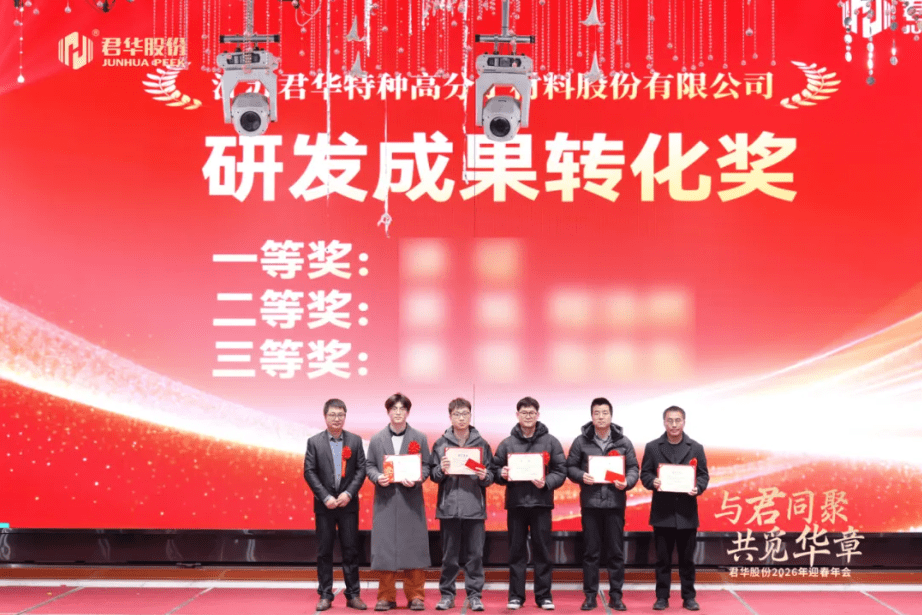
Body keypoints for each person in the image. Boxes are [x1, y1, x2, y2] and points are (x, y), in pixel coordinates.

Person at [493, 396, 567, 611]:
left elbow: (560, 471)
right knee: (516, 552)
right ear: (517, 415)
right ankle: (516, 596)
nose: (528, 416)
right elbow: (494, 469)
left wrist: (547, 482)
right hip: (516, 504)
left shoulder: (551, 442)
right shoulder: (507, 443)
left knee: (542, 552)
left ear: (538, 415)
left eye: (531, 413)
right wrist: (501, 474)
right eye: (524, 413)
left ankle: (544, 596)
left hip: (541, 504)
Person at [565, 397, 639, 612]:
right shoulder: (581, 441)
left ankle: (616, 596)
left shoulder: (624, 442)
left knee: (615, 552)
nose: (600, 417)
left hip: (615, 503)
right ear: (591, 416)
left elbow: (633, 468)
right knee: (591, 552)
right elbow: (570, 467)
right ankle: (590, 596)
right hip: (591, 504)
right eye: (596, 413)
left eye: (604, 413)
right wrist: (581, 475)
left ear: (611, 416)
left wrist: (627, 482)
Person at [365, 393, 432, 612]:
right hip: (385, 501)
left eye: (402, 409)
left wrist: (417, 478)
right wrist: (377, 477)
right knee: (385, 548)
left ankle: (416, 596)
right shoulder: (377, 439)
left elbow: (427, 466)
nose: (398, 412)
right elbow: (369, 465)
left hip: (411, 500)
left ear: (408, 412)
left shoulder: (419, 437)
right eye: (394, 409)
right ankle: (386, 596)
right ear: (388, 412)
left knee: (413, 547)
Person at [640, 406, 709, 612]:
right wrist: (652, 481)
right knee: (662, 560)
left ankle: (689, 597)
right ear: (664, 422)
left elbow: (703, 475)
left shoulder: (696, 447)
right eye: (670, 420)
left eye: (677, 420)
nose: (674, 424)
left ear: (684, 422)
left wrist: (698, 487)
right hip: (663, 513)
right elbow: (645, 474)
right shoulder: (653, 447)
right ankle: (662, 597)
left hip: (687, 514)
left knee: (687, 560)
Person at [303, 398, 368, 611]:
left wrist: (349, 493)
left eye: (340, 415)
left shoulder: (355, 441)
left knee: (351, 551)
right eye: (332, 414)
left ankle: (353, 595)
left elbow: (361, 470)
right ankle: (325, 594)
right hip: (325, 506)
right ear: (325, 417)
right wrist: (325, 496)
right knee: (324, 551)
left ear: (345, 416)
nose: (337, 419)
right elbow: (309, 471)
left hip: (348, 505)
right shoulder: (314, 442)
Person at [430, 398, 494, 612]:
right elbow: (433, 475)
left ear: (470, 416)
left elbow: (491, 475)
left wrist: (485, 476)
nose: (461, 418)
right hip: (448, 508)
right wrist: (440, 469)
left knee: (475, 556)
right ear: (450, 417)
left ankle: (475, 596)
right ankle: (447, 595)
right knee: (449, 557)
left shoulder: (481, 444)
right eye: (457, 414)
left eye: (465, 414)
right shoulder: (440, 444)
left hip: (474, 508)